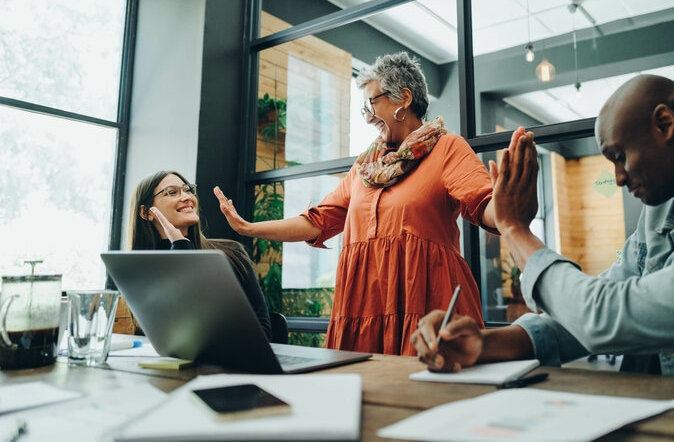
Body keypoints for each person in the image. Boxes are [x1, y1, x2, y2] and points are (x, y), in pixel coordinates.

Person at [412, 75, 674, 440]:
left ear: (664, 124)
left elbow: (614, 317)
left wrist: (515, 229)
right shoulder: (662, 212)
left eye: (619, 156)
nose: (617, 177)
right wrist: (488, 344)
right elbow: (594, 305)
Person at [214, 51, 499, 355]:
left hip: (425, 302)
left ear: (403, 98)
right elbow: (316, 221)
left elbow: (486, 206)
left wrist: (508, 206)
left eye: (372, 103)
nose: (368, 116)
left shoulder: (447, 149)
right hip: (363, 304)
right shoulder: (364, 167)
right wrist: (249, 228)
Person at [126, 170, 272, 340]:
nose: (187, 197)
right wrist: (180, 246)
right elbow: (175, 333)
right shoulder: (143, 268)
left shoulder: (231, 253)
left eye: (188, 190)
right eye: (172, 192)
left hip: (233, 363)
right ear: (146, 212)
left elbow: (262, 333)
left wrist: (181, 246)